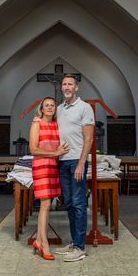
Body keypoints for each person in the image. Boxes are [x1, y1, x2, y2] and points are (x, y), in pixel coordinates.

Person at [54, 74, 95, 262]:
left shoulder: (84, 108)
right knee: (69, 203)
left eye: (70, 84)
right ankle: (74, 242)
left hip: (76, 161)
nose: (67, 87)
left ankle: (80, 247)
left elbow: (89, 138)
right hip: (62, 161)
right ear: (61, 87)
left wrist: (81, 162)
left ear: (76, 88)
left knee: (79, 204)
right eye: (64, 84)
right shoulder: (60, 109)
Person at [29, 97, 69, 260]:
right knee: (45, 204)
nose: (50, 107)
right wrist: (54, 153)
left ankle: (38, 241)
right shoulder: (36, 124)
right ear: (42, 108)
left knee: (48, 205)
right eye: (47, 105)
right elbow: (33, 149)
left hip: (54, 166)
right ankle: (44, 243)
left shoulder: (57, 125)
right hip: (42, 166)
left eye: (53, 105)